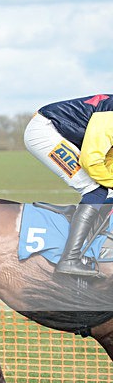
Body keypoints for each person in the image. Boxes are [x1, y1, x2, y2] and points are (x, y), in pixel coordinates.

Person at [24, 94, 113, 276]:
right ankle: (69, 259)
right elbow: (92, 162)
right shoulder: (110, 116)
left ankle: (87, 231)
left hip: (66, 134)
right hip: (45, 132)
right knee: (95, 190)